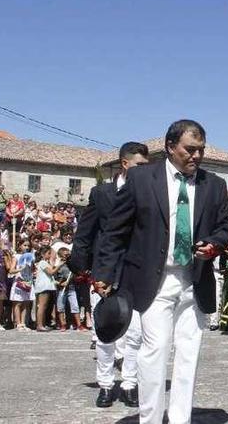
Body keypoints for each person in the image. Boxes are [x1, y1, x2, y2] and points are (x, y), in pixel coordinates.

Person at [96, 119, 228, 424]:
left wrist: (213, 244)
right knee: (154, 351)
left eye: (200, 150)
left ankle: (181, 419)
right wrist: (104, 272)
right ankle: (151, 419)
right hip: (154, 281)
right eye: (189, 149)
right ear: (171, 147)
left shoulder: (214, 185)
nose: (196, 156)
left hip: (194, 281)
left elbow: (225, 228)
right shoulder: (142, 179)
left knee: (189, 355)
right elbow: (116, 230)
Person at [70, 141, 148, 408]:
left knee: (135, 333)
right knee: (105, 332)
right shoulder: (101, 193)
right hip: (104, 273)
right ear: (125, 164)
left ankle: (129, 383)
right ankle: (105, 385)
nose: (144, 171)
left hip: (135, 273)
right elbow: (85, 234)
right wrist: (85, 270)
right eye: (140, 165)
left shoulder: (148, 194)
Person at [9, 239, 34, 331]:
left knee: (26, 303)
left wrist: (32, 268)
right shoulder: (16, 256)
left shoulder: (30, 257)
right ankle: (18, 323)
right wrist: (20, 269)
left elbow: (32, 270)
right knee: (18, 303)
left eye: (28, 246)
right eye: (25, 245)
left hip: (28, 281)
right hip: (19, 281)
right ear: (20, 246)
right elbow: (11, 270)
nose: (27, 247)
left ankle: (23, 323)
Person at [34, 247, 59, 332]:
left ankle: (43, 324)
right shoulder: (42, 262)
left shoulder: (46, 263)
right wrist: (60, 265)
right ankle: (39, 325)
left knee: (44, 307)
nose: (50, 255)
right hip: (43, 287)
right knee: (42, 306)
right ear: (43, 254)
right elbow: (51, 272)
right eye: (49, 253)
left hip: (47, 286)